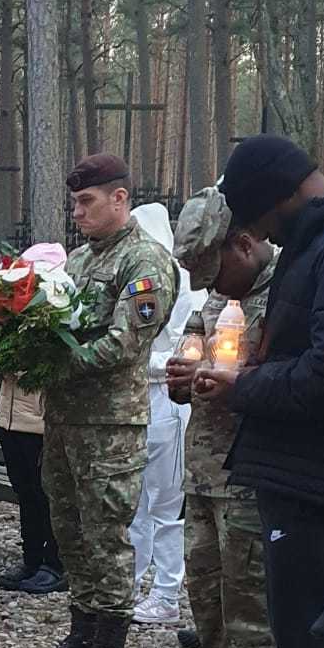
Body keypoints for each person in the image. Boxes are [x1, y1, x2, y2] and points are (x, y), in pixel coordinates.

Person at [193, 135, 324, 648]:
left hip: (316, 482)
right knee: (298, 641)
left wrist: (243, 388)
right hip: (294, 477)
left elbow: (323, 376)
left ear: (281, 196)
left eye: (260, 218)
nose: (262, 235)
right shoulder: (311, 247)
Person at [156, 184, 294, 648]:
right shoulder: (214, 295)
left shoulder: (291, 292)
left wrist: (238, 380)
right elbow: (189, 353)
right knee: (209, 600)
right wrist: (183, 377)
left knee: (252, 608)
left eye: (216, 268)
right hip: (206, 472)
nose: (211, 283)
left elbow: (294, 379)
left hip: (255, 476)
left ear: (246, 243)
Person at [26, 153, 177, 648]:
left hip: (111, 425)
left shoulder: (146, 262)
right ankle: (81, 635)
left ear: (119, 198)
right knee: (69, 529)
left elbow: (125, 342)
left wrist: (55, 365)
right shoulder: (80, 262)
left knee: (106, 535)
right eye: (74, 204)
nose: (77, 213)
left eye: (86, 202)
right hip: (66, 419)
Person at [128, 201, 204, 624]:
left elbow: (181, 348)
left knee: (166, 503)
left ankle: (167, 590)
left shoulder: (184, 284)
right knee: (135, 501)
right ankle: (132, 580)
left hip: (167, 400)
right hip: (136, 397)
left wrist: (138, 363)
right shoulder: (137, 279)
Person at [0, 376, 64, 594]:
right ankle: (32, 557)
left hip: (39, 420)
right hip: (9, 416)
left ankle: (55, 562)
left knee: (46, 493)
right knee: (24, 492)